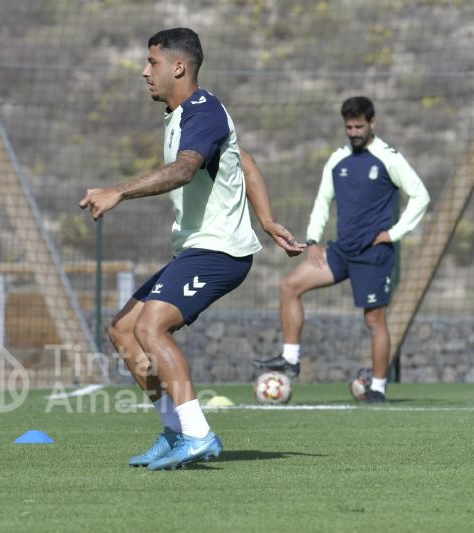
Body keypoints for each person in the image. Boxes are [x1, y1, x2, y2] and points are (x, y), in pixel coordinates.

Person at [79, 28, 302, 471]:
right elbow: (245, 162)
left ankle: (199, 434)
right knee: (123, 329)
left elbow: (184, 171)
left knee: (151, 326)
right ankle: (175, 430)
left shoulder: (203, 110)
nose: (145, 72)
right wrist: (267, 219)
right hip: (198, 249)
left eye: (152, 62)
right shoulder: (182, 115)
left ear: (178, 67)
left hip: (220, 250)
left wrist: (119, 190)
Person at [253, 96, 430, 403]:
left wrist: (394, 233)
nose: (353, 132)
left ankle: (377, 387)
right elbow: (323, 201)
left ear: (372, 123)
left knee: (374, 321)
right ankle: (291, 358)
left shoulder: (388, 158)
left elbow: (421, 196)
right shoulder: (338, 159)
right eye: (349, 127)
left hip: (373, 255)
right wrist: (312, 241)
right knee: (290, 286)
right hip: (341, 252)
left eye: (359, 126)